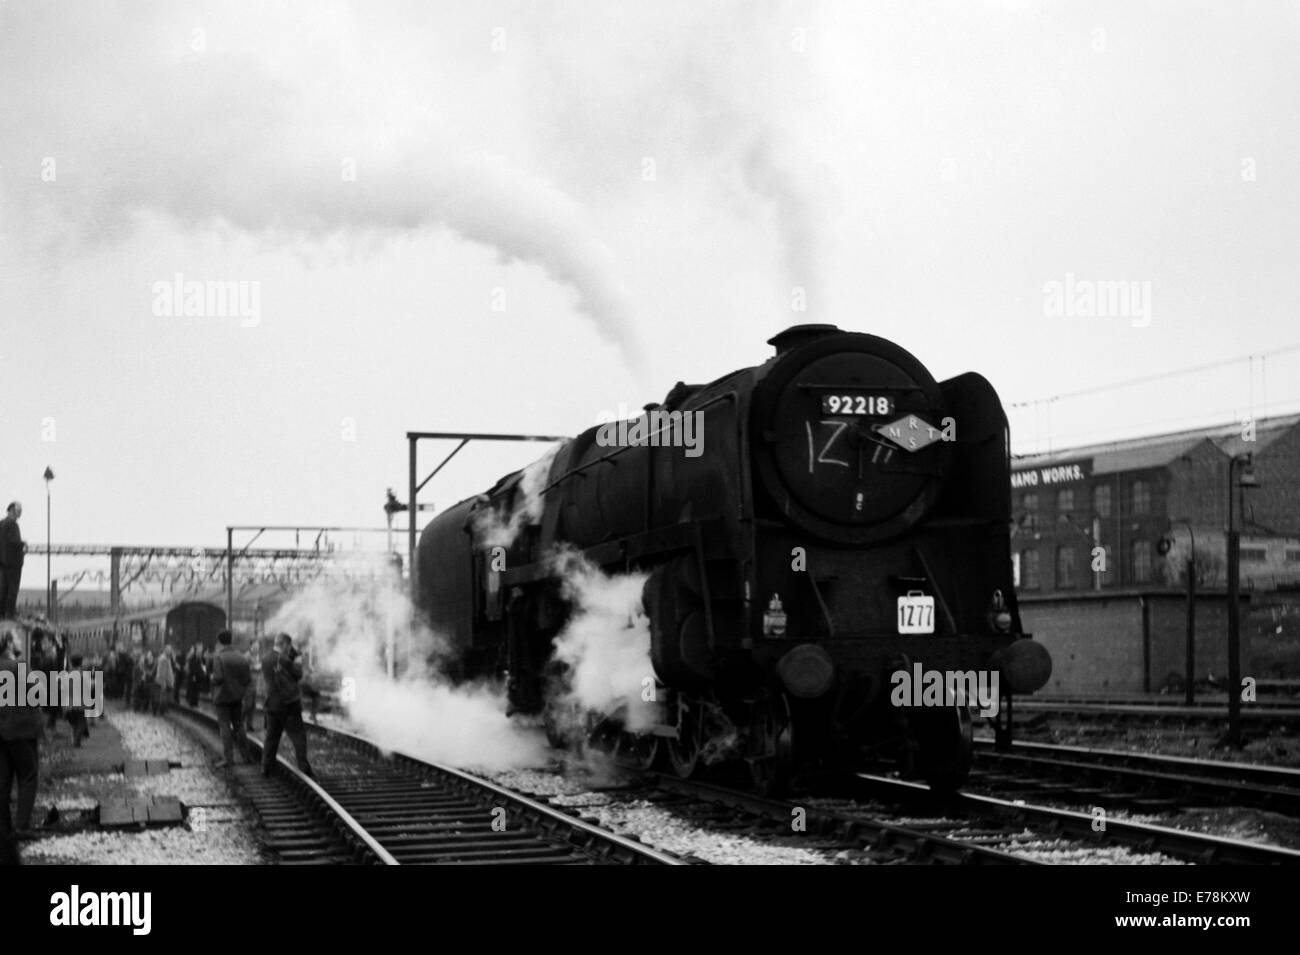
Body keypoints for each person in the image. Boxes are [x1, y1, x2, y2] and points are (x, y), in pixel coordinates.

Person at [0, 630, 41, 864]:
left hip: (1, 734)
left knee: (2, 784)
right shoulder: (19, 667)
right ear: (7, 643)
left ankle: (4, 832)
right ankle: (22, 825)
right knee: (28, 775)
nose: (20, 641)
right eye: (16, 637)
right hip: (21, 733)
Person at [261, 633, 313, 778]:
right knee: (299, 737)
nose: (289, 649)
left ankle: (266, 768)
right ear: (284, 644)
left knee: (271, 738)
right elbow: (298, 674)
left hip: (272, 704)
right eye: (289, 646)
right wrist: (296, 659)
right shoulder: (284, 659)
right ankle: (304, 767)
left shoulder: (265, 659)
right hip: (289, 705)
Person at [210, 630, 252, 767]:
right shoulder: (241, 657)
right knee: (239, 726)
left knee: (224, 727)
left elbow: (218, 678)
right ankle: (246, 757)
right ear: (230, 640)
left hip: (222, 698)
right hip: (237, 698)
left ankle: (229, 759)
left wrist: (211, 678)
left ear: (219, 642)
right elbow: (247, 679)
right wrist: (238, 688)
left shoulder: (219, 657)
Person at [0, 503, 25, 620]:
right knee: (12, 589)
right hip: (13, 564)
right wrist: (23, 544)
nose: (19, 515)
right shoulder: (12, 525)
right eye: (18, 512)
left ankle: (2, 614)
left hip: (3, 563)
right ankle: (9, 614)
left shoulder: (1, 524)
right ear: (11, 511)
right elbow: (14, 542)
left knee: (3, 589)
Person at [243, 639, 260, 732]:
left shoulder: (256, 656)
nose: (257, 647)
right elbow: (243, 668)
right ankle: (239, 722)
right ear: (251, 646)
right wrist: (254, 667)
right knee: (247, 705)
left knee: (252, 705)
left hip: (254, 684)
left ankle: (249, 725)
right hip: (248, 684)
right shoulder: (247, 656)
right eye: (256, 645)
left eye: (258, 646)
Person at [152, 647, 175, 715]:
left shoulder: (165, 658)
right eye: (169, 651)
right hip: (163, 682)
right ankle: (159, 711)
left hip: (163, 681)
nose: (171, 652)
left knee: (161, 697)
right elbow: (162, 672)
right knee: (162, 698)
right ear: (166, 651)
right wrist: (163, 683)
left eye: (171, 651)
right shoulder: (164, 659)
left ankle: (158, 710)